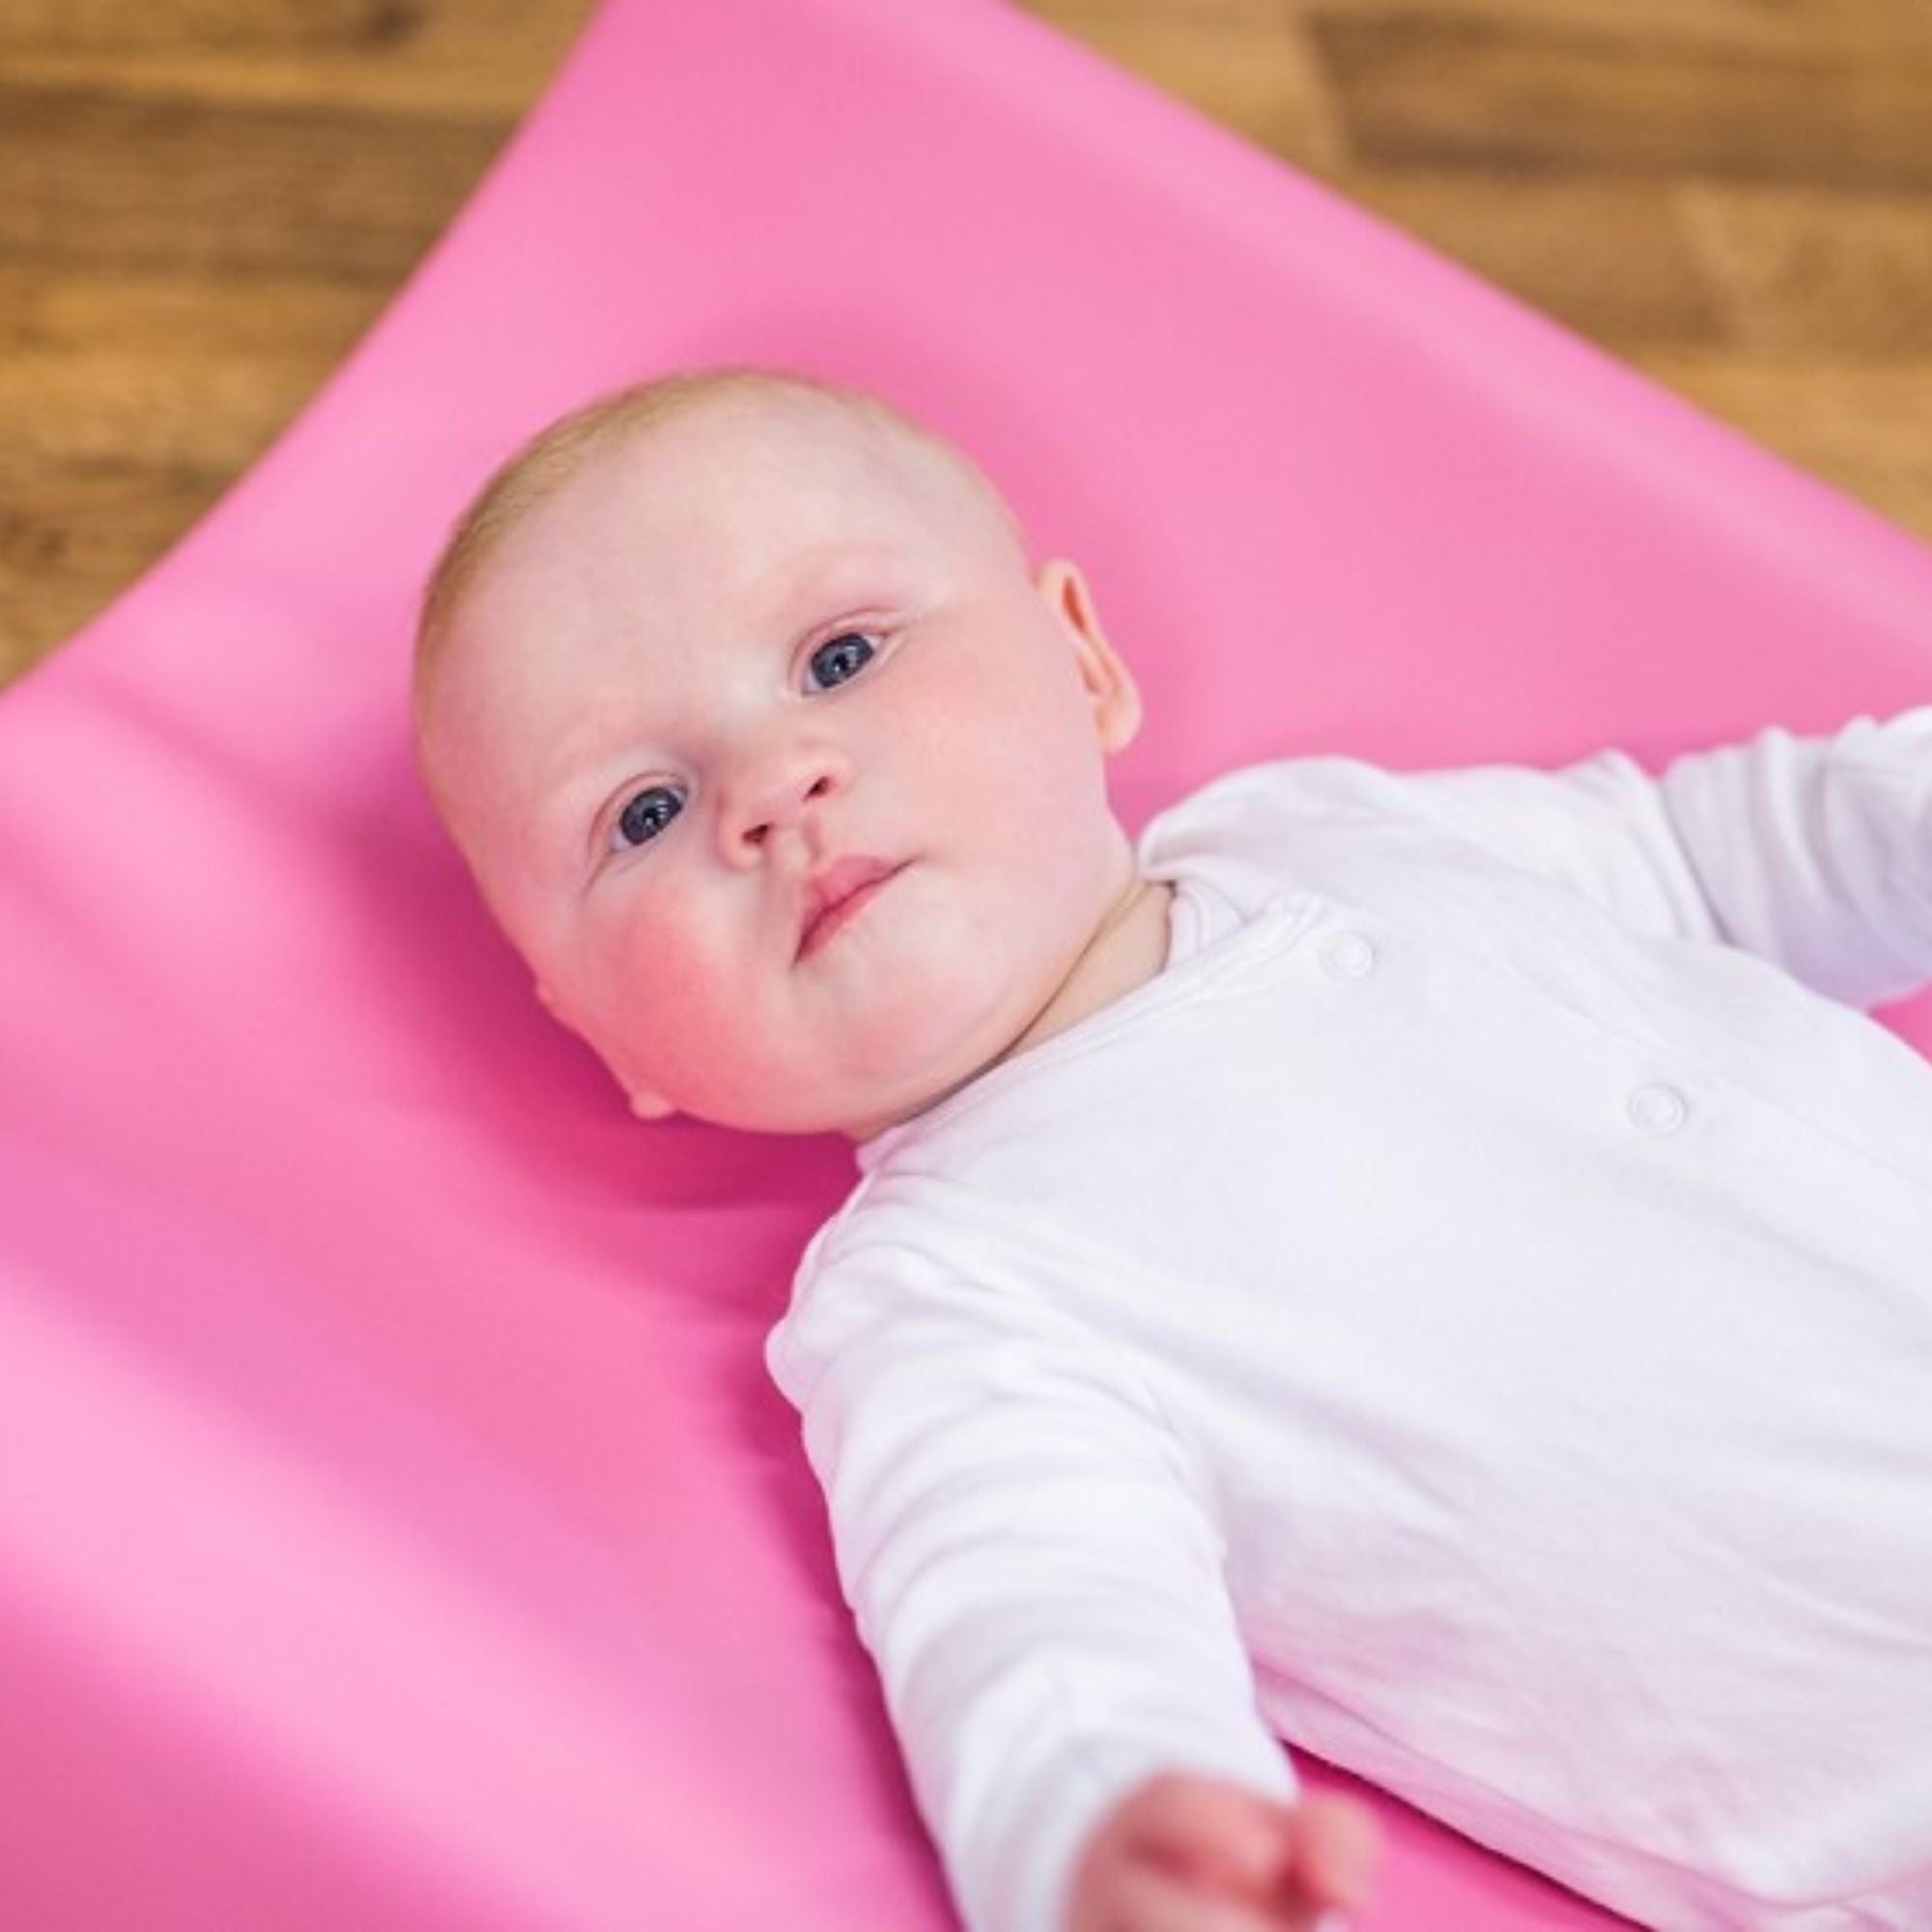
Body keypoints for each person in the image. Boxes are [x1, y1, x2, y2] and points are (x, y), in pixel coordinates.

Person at [410, 364, 1932, 1932]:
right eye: (644, 815)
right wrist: (1114, 1850)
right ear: (607, 1036)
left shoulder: (1339, 835)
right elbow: (1040, 1627)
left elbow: (1718, 858)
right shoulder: (947, 1292)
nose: (768, 788)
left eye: (840, 657)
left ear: (1081, 662)